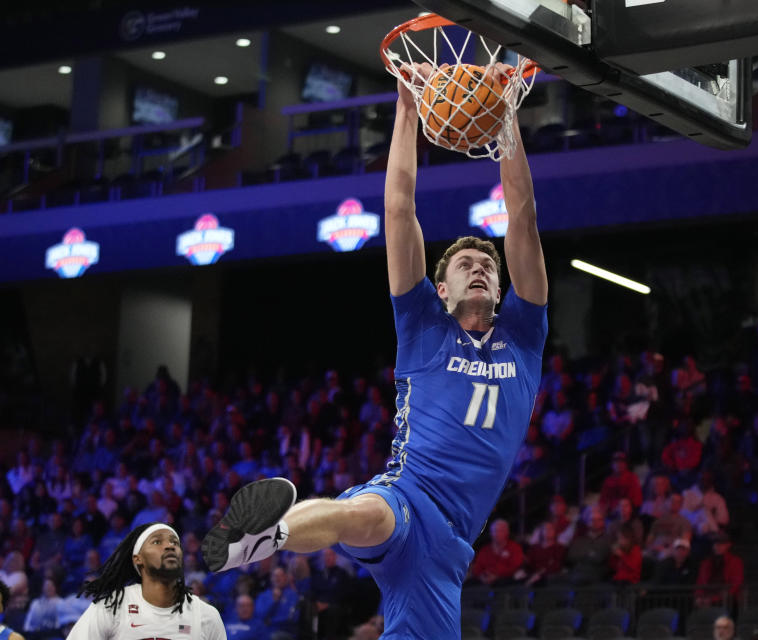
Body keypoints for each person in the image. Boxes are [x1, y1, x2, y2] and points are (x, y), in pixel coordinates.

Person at [202, 61, 548, 640]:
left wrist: (506, 121)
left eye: (488, 264)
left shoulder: (525, 334)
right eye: (466, 265)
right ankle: (265, 536)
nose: (482, 268)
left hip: (450, 546)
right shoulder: (422, 325)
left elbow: (522, 218)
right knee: (360, 515)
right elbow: (398, 209)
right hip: (409, 492)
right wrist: (407, 110)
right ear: (442, 290)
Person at [67, 522, 225, 639]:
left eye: (174, 542)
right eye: (157, 542)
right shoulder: (111, 607)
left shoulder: (206, 615)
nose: (170, 546)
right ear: (138, 559)